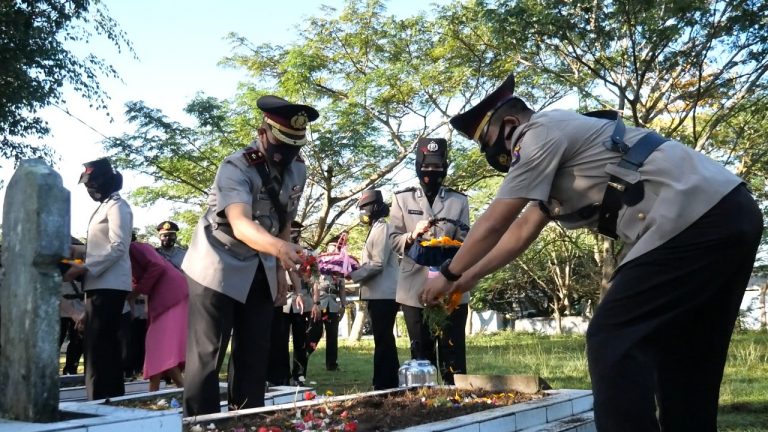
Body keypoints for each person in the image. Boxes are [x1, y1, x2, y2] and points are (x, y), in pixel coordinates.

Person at [421, 72, 764, 432]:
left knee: (612, 338)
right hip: (730, 212)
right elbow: (521, 231)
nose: (500, 156)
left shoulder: (539, 132)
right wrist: (468, 278)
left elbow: (496, 221)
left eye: (492, 143)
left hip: (693, 218)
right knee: (686, 354)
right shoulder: (561, 155)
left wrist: (447, 274)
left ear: (510, 124)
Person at [181, 95, 318, 416]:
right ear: (263, 132)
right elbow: (241, 224)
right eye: (282, 143)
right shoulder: (236, 166)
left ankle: (247, 421)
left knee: (254, 355)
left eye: (295, 145)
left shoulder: (298, 170)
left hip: (260, 263)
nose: (287, 153)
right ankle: (203, 424)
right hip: (217, 264)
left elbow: (284, 223)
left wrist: (282, 273)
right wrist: (281, 250)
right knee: (208, 356)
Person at [389, 137, 470, 384]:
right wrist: (413, 235)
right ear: (418, 166)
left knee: (452, 351)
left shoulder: (458, 201)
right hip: (414, 287)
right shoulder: (402, 199)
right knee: (420, 353)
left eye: (437, 167)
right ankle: (425, 403)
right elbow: (392, 241)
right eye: (427, 166)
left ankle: (457, 401)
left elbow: (468, 242)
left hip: (451, 287)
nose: (431, 172)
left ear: (445, 167)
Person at [63, 157, 133, 400]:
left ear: (103, 181)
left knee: (99, 345)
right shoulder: (104, 206)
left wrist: (84, 268)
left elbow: (119, 246)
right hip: (99, 283)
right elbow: (101, 246)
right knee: (97, 344)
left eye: (91, 184)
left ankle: (104, 399)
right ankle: (105, 397)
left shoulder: (117, 206)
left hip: (109, 285)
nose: (89, 190)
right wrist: (79, 253)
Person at [349, 190, 400, 390]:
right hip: (378, 294)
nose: (362, 212)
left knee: (383, 338)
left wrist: (352, 275)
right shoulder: (375, 229)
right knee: (383, 338)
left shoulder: (383, 229)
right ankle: (387, 380)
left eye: (365, 207)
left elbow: (377, 263)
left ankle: (384, 383)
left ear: (376, 207)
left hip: (384, 294)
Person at [129, 236, 188, 392]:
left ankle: (182, 389)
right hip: (164, 297)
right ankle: (154, 391)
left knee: (160, 345)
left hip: (171, 294)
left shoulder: (136, 247)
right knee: (159, 346)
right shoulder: (124, 255)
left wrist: (137, 292)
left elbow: (157, 266)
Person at [277, 221, 312, 386]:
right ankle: (282, 376)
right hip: (282, 297)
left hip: (300, 300)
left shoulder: (306, 254)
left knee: (300, 341)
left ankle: (299, 375)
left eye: (297, 232)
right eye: (291, 231)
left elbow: (314, 279)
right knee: (281, 339)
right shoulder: (277, 248)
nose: (294, 234)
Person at [308, 249, 347, 372]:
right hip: (320, 304)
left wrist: (343, 305)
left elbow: (342, 289)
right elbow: (314, 285)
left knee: (332, 335)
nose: (335, 249)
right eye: (332, 246)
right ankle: (305, 355)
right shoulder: (318, 265)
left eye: (337, 247)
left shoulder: (339, 269)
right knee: (315, 332)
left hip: (333, 305)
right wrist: (316, 303)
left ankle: (332, 364)